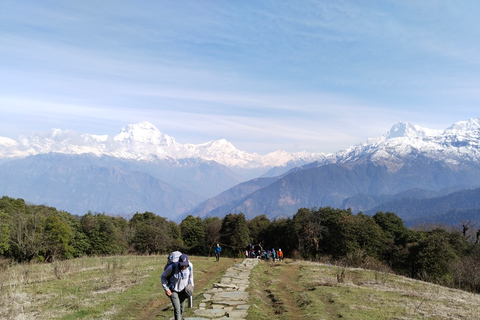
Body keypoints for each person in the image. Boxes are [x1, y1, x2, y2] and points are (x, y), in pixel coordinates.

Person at [161, 253, 194, 320]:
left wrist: (191, 288)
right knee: (177, 309)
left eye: (185, 264)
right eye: (182, 265)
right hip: (173, 291)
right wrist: (166, 289)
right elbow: (163, 276)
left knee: (182, 309)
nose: (184, 266)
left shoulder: (190, 266)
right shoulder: (172, 267)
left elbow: (191, 277)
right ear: (179, 262)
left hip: (184, 291)